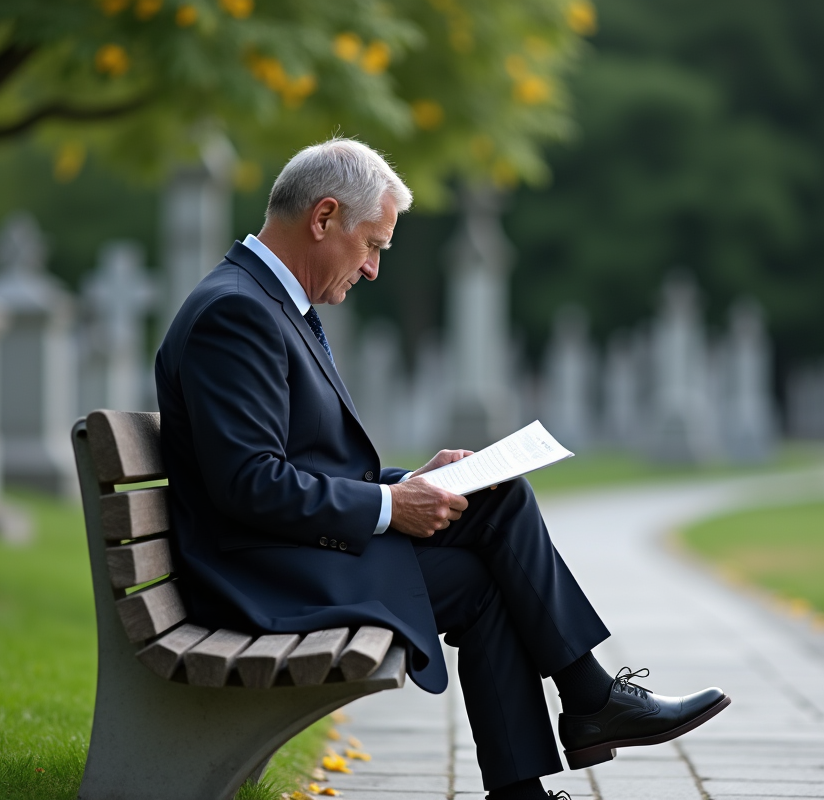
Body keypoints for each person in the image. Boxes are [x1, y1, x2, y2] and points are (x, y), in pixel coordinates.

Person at [155, 137, 729, 800]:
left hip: (289, 556)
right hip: (259, 580)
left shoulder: (267, 303)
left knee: (496, 502)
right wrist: (390, 507)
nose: (373, 269)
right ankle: (589, 700)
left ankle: (573, 723)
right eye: (372, 245)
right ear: (324, 218)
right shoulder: (237, 312)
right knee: (494, 549)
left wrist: (407, 484)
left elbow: (295, 465)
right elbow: (250, 483)